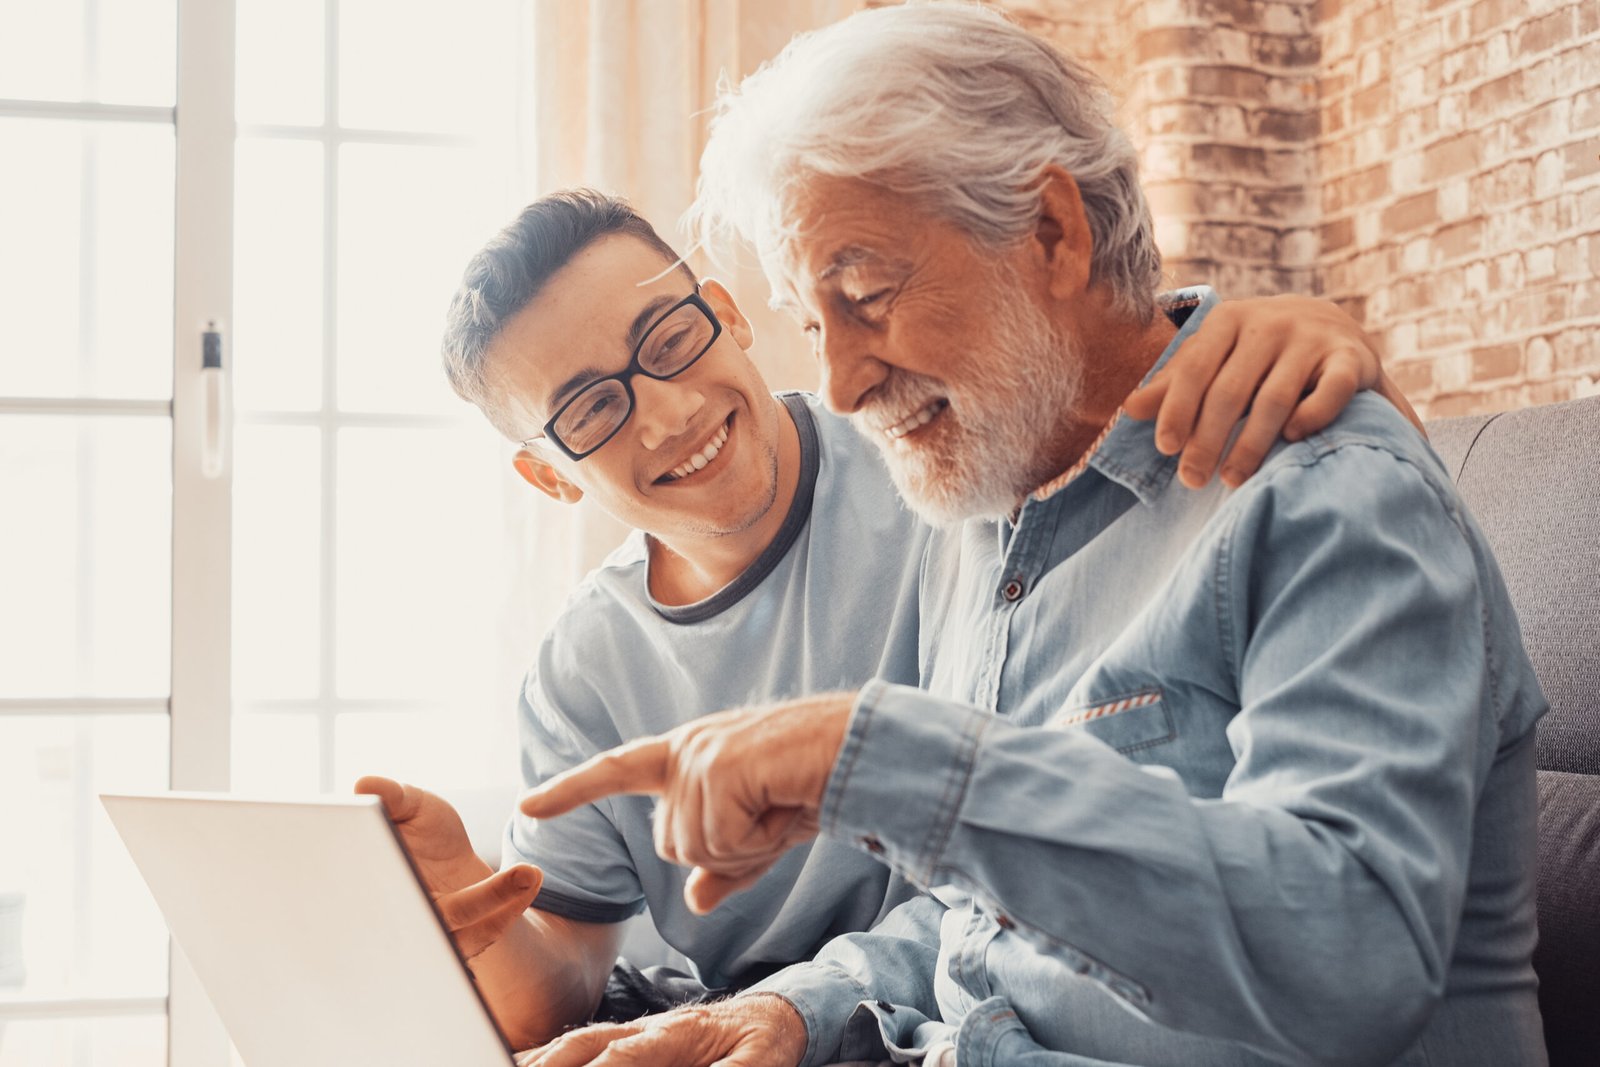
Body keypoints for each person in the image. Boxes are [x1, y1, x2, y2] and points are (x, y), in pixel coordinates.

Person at [519, 5, 1547, 1066]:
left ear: (1052, 230)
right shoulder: (979, 516)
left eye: (865, 294)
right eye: (812, 318)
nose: (834, 380)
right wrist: (795, 1009)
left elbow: (1349, 955)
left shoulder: (1321, 489)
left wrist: (889, 762)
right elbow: (981, 928)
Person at [359, 186, 1407, 1057]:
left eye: (669, 339)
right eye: (591, 408)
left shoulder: (940, 456)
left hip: (980, 1000)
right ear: (547, 473)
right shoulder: (581, 666)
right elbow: (557, 993)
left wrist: (1303, 337)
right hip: (766, 1032)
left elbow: (1183, 447)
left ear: (723, 308)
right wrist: (464, 906)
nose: (669, 412)